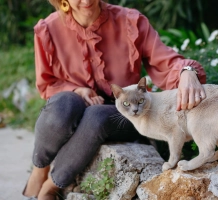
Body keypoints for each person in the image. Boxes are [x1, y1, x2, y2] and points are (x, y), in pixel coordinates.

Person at [22, 0, 206, 199]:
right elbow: (46, 84)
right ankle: (40, 167)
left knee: (96, 115)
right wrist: (77, 89)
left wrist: (187, 72)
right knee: (64, 103)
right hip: (74, 109)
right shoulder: (48, 29)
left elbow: (165, 62)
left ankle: (53, 184)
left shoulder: (131, 22)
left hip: (125, 114)